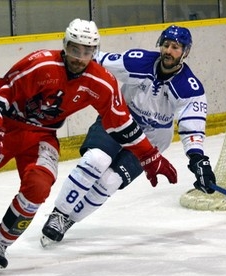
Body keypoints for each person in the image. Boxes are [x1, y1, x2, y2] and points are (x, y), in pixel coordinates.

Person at [0, 18, 177, 275]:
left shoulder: (102, 82)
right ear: (65, 46)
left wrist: (150, 156)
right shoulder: (40, 63)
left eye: (87, 52)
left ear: (94, 52)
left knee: (39, 186)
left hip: (42, 137)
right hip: (5, 128)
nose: (80, 58)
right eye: (75, 49)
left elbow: (120, 123)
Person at [40, 25, 216, 247]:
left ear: (185, 52)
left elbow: (192, 127)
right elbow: (97, 60)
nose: (168, 51)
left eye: (175, 47)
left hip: (152, 138)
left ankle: (68, 221)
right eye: (166, 45)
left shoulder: (189, 87)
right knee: (96, 160)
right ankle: (58, 213)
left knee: (110, 181)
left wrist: (198, 158)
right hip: (120, 120)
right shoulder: (138, 61)